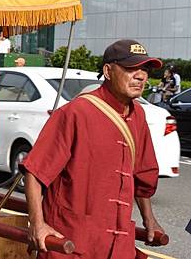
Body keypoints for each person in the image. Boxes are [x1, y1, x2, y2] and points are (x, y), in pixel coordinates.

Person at [21, 39, 164, 259]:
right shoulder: (76, 112)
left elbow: (142, 175)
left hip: (117, 243)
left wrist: (149, 219)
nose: (140, 75)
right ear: (108, 70)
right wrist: (37, 224)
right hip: (73, 241)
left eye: (144, 69)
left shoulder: (139, 115)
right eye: (130, 68)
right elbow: (35, 172)